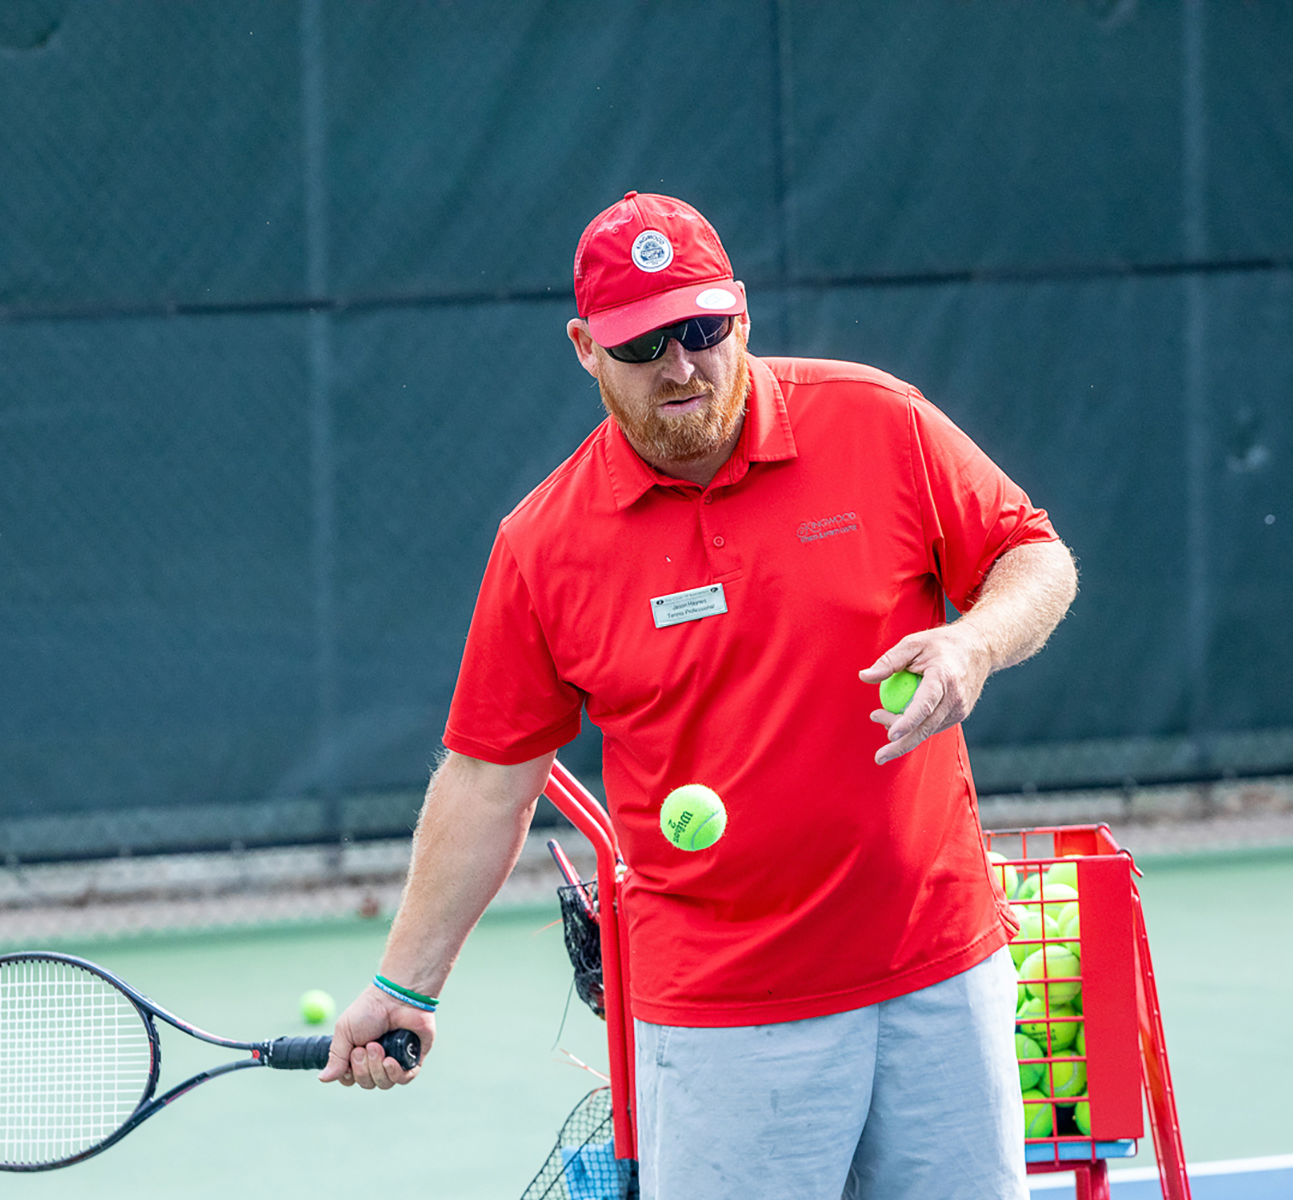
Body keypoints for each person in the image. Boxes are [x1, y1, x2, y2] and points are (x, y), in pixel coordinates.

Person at [320, 192, 1077, 1199]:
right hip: (725, 1021)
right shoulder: (542, 546)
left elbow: (1034, 555)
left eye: (701, 331)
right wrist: (404, 985)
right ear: (587, 350)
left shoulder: (878, 421)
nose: (680, 367)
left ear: (741, 315)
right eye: (642, 346)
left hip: (941, 973)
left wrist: (975, 643)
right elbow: (487, 781)